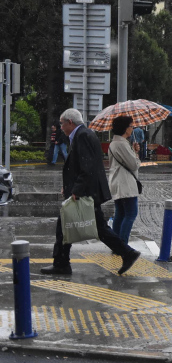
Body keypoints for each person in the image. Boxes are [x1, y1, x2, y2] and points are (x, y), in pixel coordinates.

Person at [41, 109, 141, 276]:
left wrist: (77, 190)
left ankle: (62, 264)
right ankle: (126, 253)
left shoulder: (83, 136)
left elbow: (88, 167)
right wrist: (69, 186)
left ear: (70, 122)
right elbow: (80, 166)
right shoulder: (82, 135)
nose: (61, 127)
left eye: (62, 123)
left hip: (86, 193)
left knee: (68, 226)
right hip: (86, 191)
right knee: (93, 228)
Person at [107, 116, 141, 245]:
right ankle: (122, 244)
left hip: (117, 182)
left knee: (120, 214)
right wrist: (136, 155)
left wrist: (133, 150)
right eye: (131, 126)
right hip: (125, 184)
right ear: (125, 128)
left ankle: (116, 244)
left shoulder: (114, 143)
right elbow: (133, 164)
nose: (132, 128)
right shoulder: (121, 143)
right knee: (131, 214)